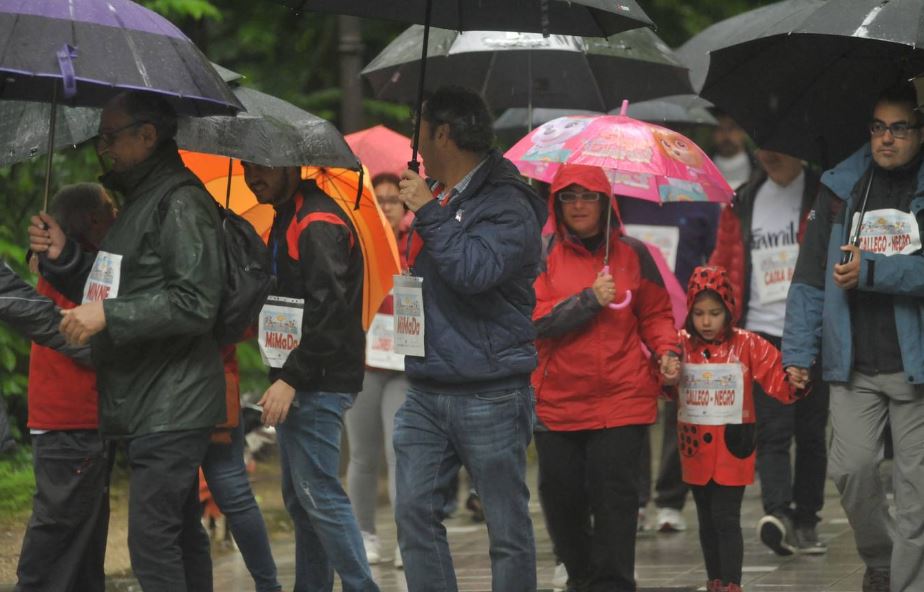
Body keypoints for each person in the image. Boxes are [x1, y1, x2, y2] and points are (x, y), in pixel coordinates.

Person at [29, 91, 227, 592]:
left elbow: (195, 301)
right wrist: (65, 256)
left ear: (147, 135)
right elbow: (114, 287)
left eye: (111, 135)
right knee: (178, 533)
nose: (102, 147)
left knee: (152, 543)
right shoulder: (141, 201)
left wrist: (109, 315)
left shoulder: (179, 202)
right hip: (148, 399)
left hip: (172, 401)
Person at [393, 85, 544, 591]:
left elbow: (474, 270)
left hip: (491, 389)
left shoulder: (509, 202)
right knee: (413, 510)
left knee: (505, 526)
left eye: (418, 127)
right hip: (428, 385)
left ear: (443, 133)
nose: (411, 141)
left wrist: (429, 213)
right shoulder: (445, 196)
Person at [784, 82, 924, 592]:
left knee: (917, 498)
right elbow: (806, 279)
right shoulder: (841, 186)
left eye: (900, 128)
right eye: (878, 127)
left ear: (919, 130)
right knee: (851, 471)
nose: (887, 139)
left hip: (917, 369)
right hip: (853, 366)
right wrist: (798, 354)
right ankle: (881, 560)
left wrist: (874, 272)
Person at [532, 164, 680, 592]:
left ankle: (613, 584)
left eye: (589, 196)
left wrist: (668, 351)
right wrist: (588, 301)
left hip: (622, 400)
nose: (579, 205)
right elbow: (534, 320)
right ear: (556, 203)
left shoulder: (634, 253)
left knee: (615, 504)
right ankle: (582, 578)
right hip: (556, 403)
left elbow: (655, 315)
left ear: (606, 202)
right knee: (561, 503)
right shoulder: (540, 254)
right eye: (569, 197)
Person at [242, 160, 379, 592]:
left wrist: (291, 378)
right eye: (246, 167)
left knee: (319, 496)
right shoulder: (286, 218)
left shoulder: (316, 220)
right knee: (303, 502)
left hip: (316, 380)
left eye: (261, 167)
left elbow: (331, 310)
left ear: (290, 166)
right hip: (301, 377)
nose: (251, 176)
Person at [709, 149, 830, 556]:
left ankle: (807, 518)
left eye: (780, 148)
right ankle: (777, 514)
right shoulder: (741, 200)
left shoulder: (823, 194)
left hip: (812, 330)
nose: (770, 156)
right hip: (759, 331)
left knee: (811, 433)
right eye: (763, 147)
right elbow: (723, 263)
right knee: (773, 431)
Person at [673, 266, 804, 592]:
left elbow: (777, 375)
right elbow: (660, 380)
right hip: (694, 448)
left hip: (734, 446)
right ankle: (715, 580)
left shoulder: (747, 343)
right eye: (699, 313)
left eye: (715, 313)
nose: (706, 321)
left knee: (726, 517)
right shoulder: (680, 345)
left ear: (728, 310)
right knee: (705, 519)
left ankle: (732, 584)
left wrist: (796, 381)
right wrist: (664, 372)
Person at [15, 184, 116, 592]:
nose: (117, 215)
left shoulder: (75, 264)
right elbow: (79, 336)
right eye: (111, 209)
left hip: (76, 416)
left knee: (83, 538)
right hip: (71, 416)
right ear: (93, 218)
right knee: (59, 533)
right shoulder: (70, 268)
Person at [618, 194, 720, 534]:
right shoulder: (617, 200)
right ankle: (633, 501)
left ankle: (671, 500)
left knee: (682, 410)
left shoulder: (699, 203)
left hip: (683, 323)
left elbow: (715, 260)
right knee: (633, 409)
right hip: (629, 320)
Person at [345, 172, 411, 568]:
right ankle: (364, 532)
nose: (386, 205)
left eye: (393, 199)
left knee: (399, 450)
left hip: (404, 364)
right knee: (363, 454)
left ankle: (408, 537)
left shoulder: (416, 245)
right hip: (366, 360)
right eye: (379, 199)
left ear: (405, 207)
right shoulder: (358, 243)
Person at [200, 344, 282, 592]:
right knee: (235, 493)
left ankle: (268, 585)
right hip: (217, 380)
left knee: (180, 501)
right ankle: (269, 586)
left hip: (190, 386)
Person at [711, 111, 754, 190]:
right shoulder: (699, 170)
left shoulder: (761, 170)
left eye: (732, 128)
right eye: (719, 128)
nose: (725, 135)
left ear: (744, 132)